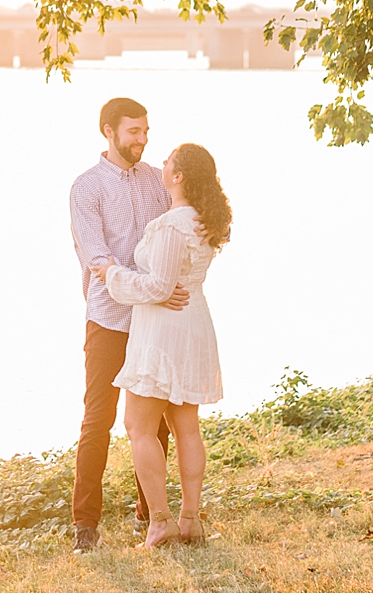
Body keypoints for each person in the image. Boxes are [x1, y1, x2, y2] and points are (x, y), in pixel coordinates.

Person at [92, 142, 230, 549]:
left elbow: (159, 286)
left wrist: (110, 273)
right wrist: (159, 287)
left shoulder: (173, 224)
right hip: (190, 323)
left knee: (138, 425)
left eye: (168, 161)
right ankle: (189, 520)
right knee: (185, 427)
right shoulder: (203, 220)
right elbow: (170, 283)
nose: (162, 164)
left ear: (179, 176)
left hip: (164, 330)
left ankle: (162, 522)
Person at [67, 97, 188, 553]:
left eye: (145, 131)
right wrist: (155, 286)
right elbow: (97, 258)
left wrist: (172, 285)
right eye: (133, 131)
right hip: (109, 317)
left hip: (153, 317)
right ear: (108, 131)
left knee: (154, 422)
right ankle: (85, 526)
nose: (142, 139)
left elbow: (180, 233)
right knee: (98, 420)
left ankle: (149, 514)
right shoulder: (87, 188)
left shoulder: (159, 181)